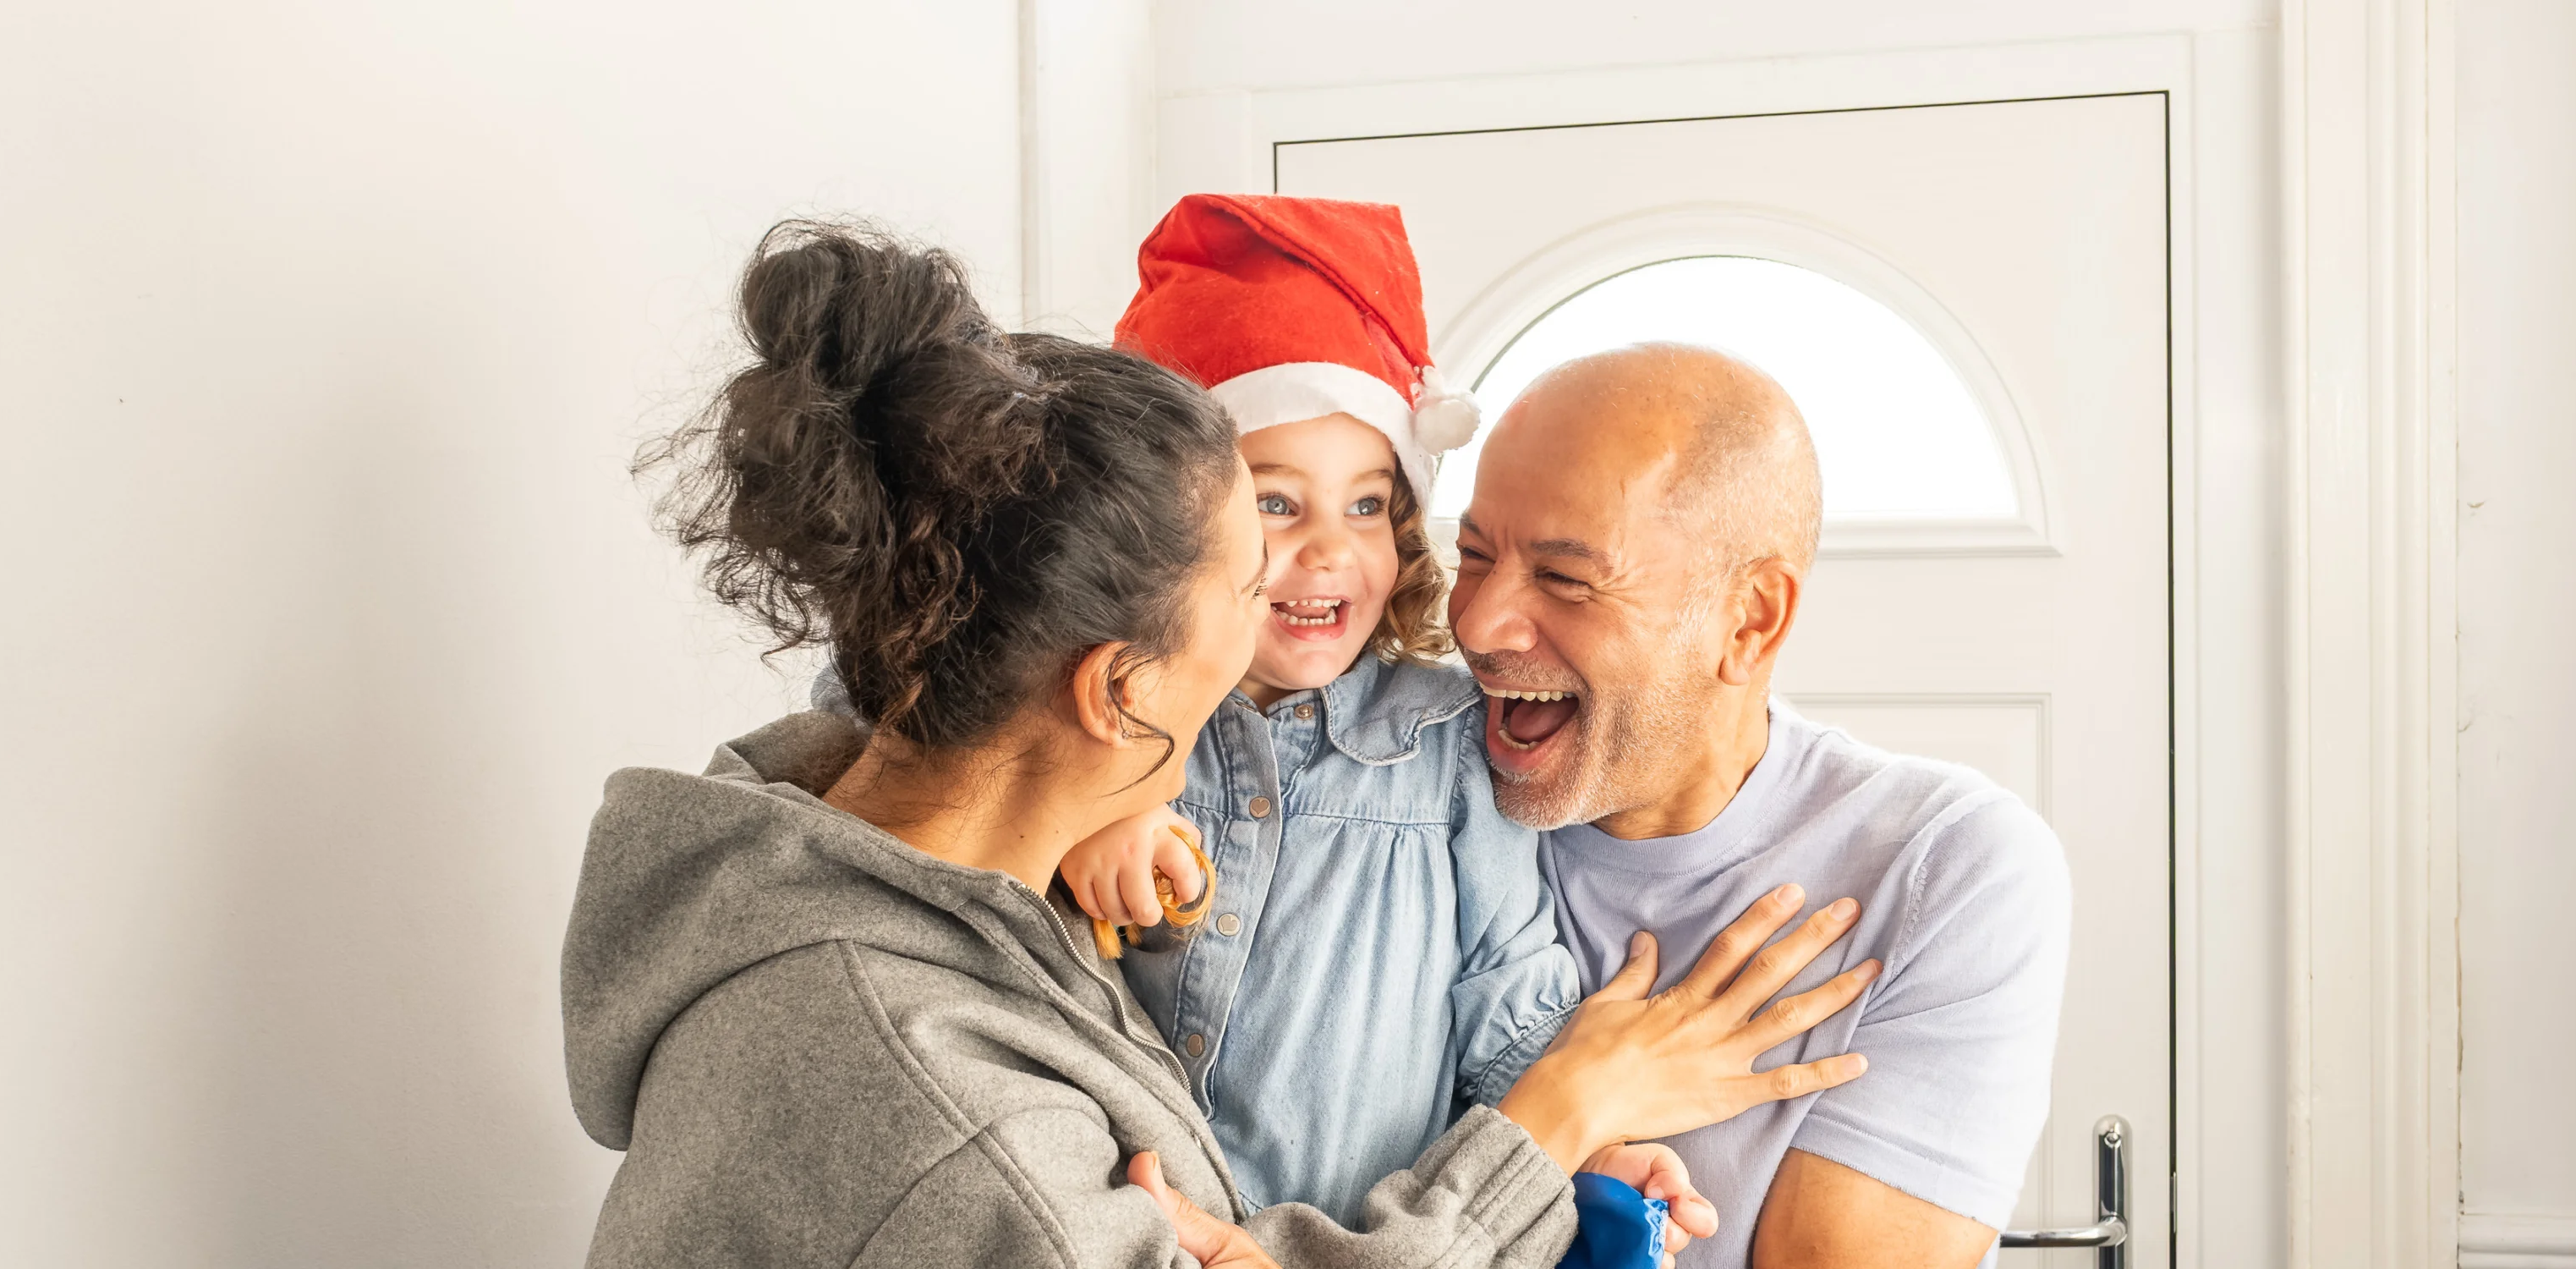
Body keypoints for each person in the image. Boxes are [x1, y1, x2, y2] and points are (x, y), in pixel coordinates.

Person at [561, 222, 1885, 1269]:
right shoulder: (968, 1133)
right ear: (1121, 688)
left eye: (1371, 509)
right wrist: (1554, 1126)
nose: (1307, 591)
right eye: (1251, 564)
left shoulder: (885, 890)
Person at [1055, 193, 1693, 1232]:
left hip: (1362, 1241)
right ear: (1159, 526)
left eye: (1366, 503)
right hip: (1107, 1233)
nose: (1330, 550)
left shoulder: (1443, 742)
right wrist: (1093, 805)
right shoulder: (1088, 717)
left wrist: (1605, 1141)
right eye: (1274, 502)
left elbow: (1506, 1016)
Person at [1449, 343, 2075, 1267]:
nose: (1477, 624)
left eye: (1565, 578)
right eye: (1471, 555)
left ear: (1750, 619)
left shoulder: (1943, 868)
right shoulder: (1387, 794)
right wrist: (1576, 1094)